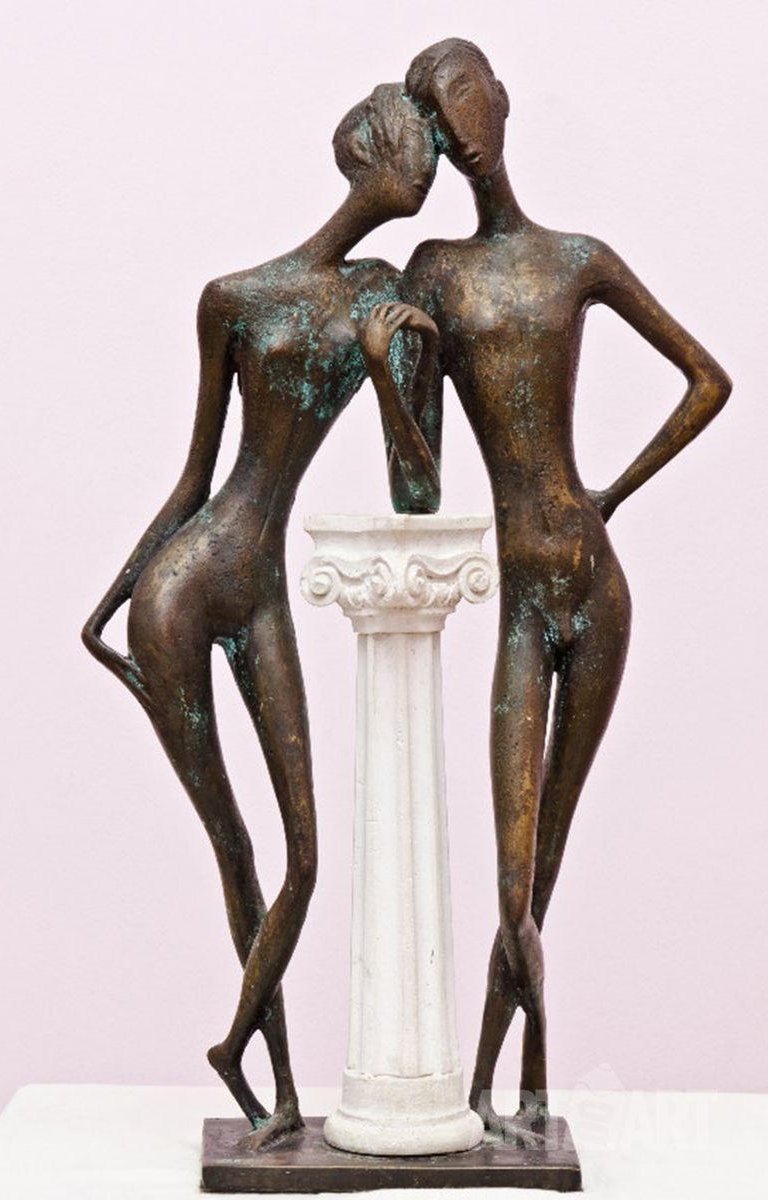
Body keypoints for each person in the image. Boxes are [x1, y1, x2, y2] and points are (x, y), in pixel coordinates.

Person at [367, 38, 731, 1143]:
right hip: (522, 602)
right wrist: (389, 377)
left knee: (547, 864)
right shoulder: (434, 273)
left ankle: (509, 1091)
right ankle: (499, 1082)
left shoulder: (577, 260)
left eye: (464, 94)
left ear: (502, 100)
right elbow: (419, 489)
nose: (458, 123)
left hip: (593, 586)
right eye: (437, 111)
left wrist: (609, 494)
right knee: (512, 877)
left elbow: (707, 379)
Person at [82, 83, 440, 1150]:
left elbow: (416, 496)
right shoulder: (232, 299)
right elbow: (193, 480)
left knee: (304, 855)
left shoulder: (381, 296)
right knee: (233, 843)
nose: (427, 169)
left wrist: (385, 375)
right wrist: (107, 609)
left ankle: (237, 1046)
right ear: (370, 158)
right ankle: (275, 1092)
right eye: (415, 148)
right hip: (183, 588)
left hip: (262, 586)